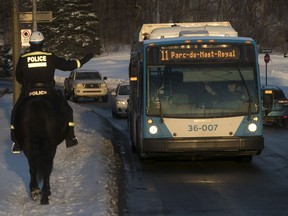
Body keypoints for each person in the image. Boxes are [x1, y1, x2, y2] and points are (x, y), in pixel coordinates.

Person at [11, 31, 94, 154]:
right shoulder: (50, 56)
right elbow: (68, 65)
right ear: (42, 43)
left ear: (30, 43)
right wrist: (85, 59)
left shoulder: (23, 59)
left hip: (29, 92)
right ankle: (70, 137)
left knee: (15, 112)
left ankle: (16, 142)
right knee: (68, 110)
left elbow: (18, 77)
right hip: (48, 91)